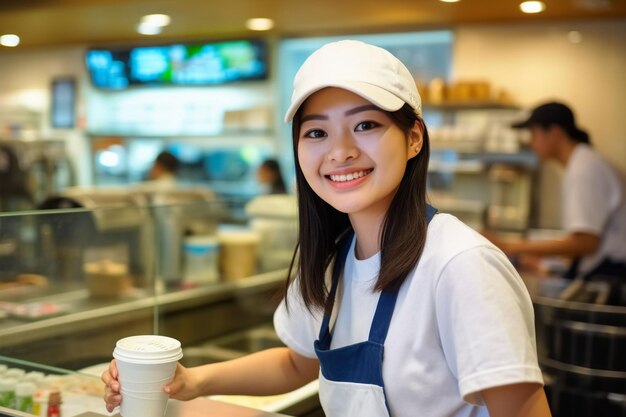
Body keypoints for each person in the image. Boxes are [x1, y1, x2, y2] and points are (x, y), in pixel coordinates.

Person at [103, 40, 551, 417]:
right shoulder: (334, 259)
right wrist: (191, 381)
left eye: (366, 125)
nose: (340, 152)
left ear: (414, 137)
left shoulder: (461, 266)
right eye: (316, 133)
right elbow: (297, 364)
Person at [486, 101, 626, 283]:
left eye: (533, 133)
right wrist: (546, 264)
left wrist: (509, 246)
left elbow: (586, 243)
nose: (531, 143)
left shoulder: (583, 169)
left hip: (613, 273)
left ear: (554, 132)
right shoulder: (583, 163)